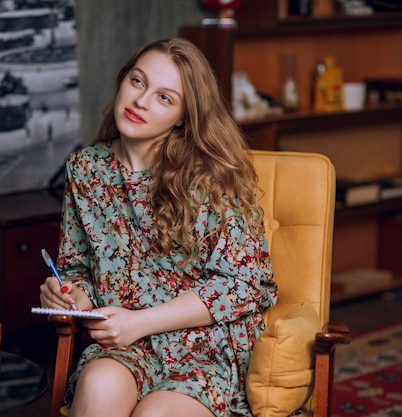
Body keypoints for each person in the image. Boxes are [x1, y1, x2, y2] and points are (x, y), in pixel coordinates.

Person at [39, 37, 278, 417]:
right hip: (122, 344)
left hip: (203, 348)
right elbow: (77, 267)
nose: (141, 101)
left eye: (165, 97)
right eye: (138, 81)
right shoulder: (85, 168)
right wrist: (69, 296)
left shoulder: (210, 175)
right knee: (99, 386)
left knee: (155, 415)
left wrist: (139, 322)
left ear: (183, 115)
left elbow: (244, 285)